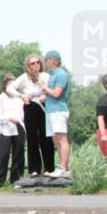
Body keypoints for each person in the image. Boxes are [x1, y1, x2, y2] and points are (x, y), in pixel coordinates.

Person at [6, 54, 53, 177]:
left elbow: (51, 89)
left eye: (38, 62)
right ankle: (34, 169)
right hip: (30, 106)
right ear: (28, 65)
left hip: (43, 106)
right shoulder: (24, 77)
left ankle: (49, 168)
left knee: (46, 137)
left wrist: (45, 95)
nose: (36, 65)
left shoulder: (45, 76)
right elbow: (9, 88)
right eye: (33, 63)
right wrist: (21, 96)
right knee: (32, 138)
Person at [0, 74, 25, 190]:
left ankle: (16, 179)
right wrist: (8, 118)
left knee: (18, 154)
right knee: (4, 154)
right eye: (9, 84)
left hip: (19, 127)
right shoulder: (0, 98)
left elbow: (22, 113)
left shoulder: (19, 99)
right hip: (6, 128)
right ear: (5, 86)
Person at [41, 50, 71, 178]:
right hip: (51, 111)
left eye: (46, 59)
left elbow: (57, 94)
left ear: (53, 60)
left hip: (59, 110)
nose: (45, 62)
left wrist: (44, 87)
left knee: (62, 139)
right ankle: (64, 167)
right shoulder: (53, 75)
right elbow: (50, 94)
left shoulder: (61, 74)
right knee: (56, 139)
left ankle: (63, 168)